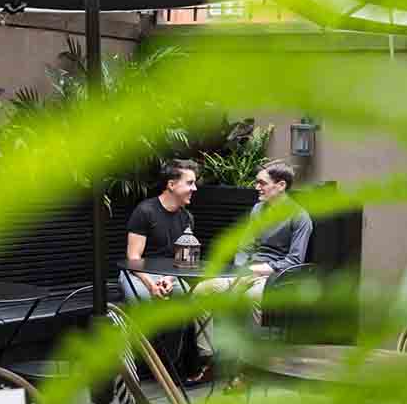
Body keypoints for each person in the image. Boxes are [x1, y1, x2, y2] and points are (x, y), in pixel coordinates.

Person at [188, 160, 313, 384]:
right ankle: (209, 358)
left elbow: (295, 260)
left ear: (281, 185)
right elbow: (245, 247)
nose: (257, 187)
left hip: (275, 278)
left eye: (262, 183)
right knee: (202, 290)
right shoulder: (257, 210)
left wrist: (259, 270)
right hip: (245, 271)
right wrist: (242, 269)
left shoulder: (300, 217)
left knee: (251, 297)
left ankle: (248, 368)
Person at [120, 158, 200, 302]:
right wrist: (151, 285)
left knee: (193, 302)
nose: (195, 188)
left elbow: (183, 260)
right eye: (190, 183)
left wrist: (169, 279)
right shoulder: (145, 211)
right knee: (145, 299)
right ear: (171, 184)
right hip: (139, 274)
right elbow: (133, 258)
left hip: (169, 275)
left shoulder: (186, 218)